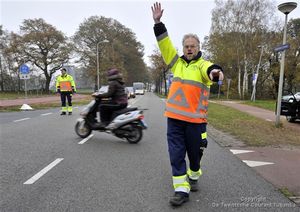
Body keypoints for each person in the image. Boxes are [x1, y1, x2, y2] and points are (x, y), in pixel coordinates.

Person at [151, 2, 224, 207]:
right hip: (174, 120)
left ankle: (194, 174)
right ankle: (181, 190)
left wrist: (217, 74)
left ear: (198, 48)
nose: (189, 49)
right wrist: (158, 23)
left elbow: (212, 70)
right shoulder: (177, 63)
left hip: (195, 121)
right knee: (176, 154)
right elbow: (165, 45)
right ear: (183, 48)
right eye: (186, 46)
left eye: (193, 46)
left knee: (195, 154)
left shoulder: (202, 65)